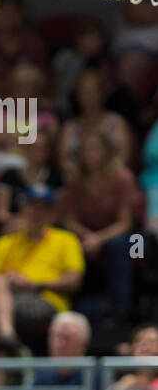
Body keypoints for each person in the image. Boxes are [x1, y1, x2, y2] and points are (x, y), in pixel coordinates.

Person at [0, 185, 84, 349]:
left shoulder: (66, 240)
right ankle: (8, 338)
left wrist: (34, 285)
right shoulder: (4, 243)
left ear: (52, 214)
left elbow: (74, 281)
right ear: (22, 210)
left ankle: (5, 348)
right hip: (8, 298)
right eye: (30, 206)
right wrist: (12, 281)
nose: (35, 213)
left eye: (42, 208)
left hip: (46, 299)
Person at [59, 130, 139, 321]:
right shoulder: (75, 180)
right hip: (87, 233)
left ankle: (122, 308)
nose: (91, 154)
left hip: (132, 237)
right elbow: (70, 221)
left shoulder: (122, 177)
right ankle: (72, 306)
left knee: (118, 245)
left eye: (96, 148)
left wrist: (98, 239)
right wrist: (88, 237)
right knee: (65, 241)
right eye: (87, 149)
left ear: (107, 151)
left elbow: (125, 223)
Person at [4, 311, 96, 390]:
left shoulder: (94, 374)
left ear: (84, 343)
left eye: (67, 338)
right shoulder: (43, 373)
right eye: (55, 336)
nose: (59, 344)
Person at [58, 66, 133, 181]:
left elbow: (123, 155)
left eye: (94, 91)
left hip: (111, 180)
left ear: (103, 93)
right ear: (77, 94)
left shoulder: (116, 122)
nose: (89, 97)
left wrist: (101, 176)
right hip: (78, 182)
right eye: (84, 91)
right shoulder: (70, 127)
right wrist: (83, 177)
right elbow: (64, 160)